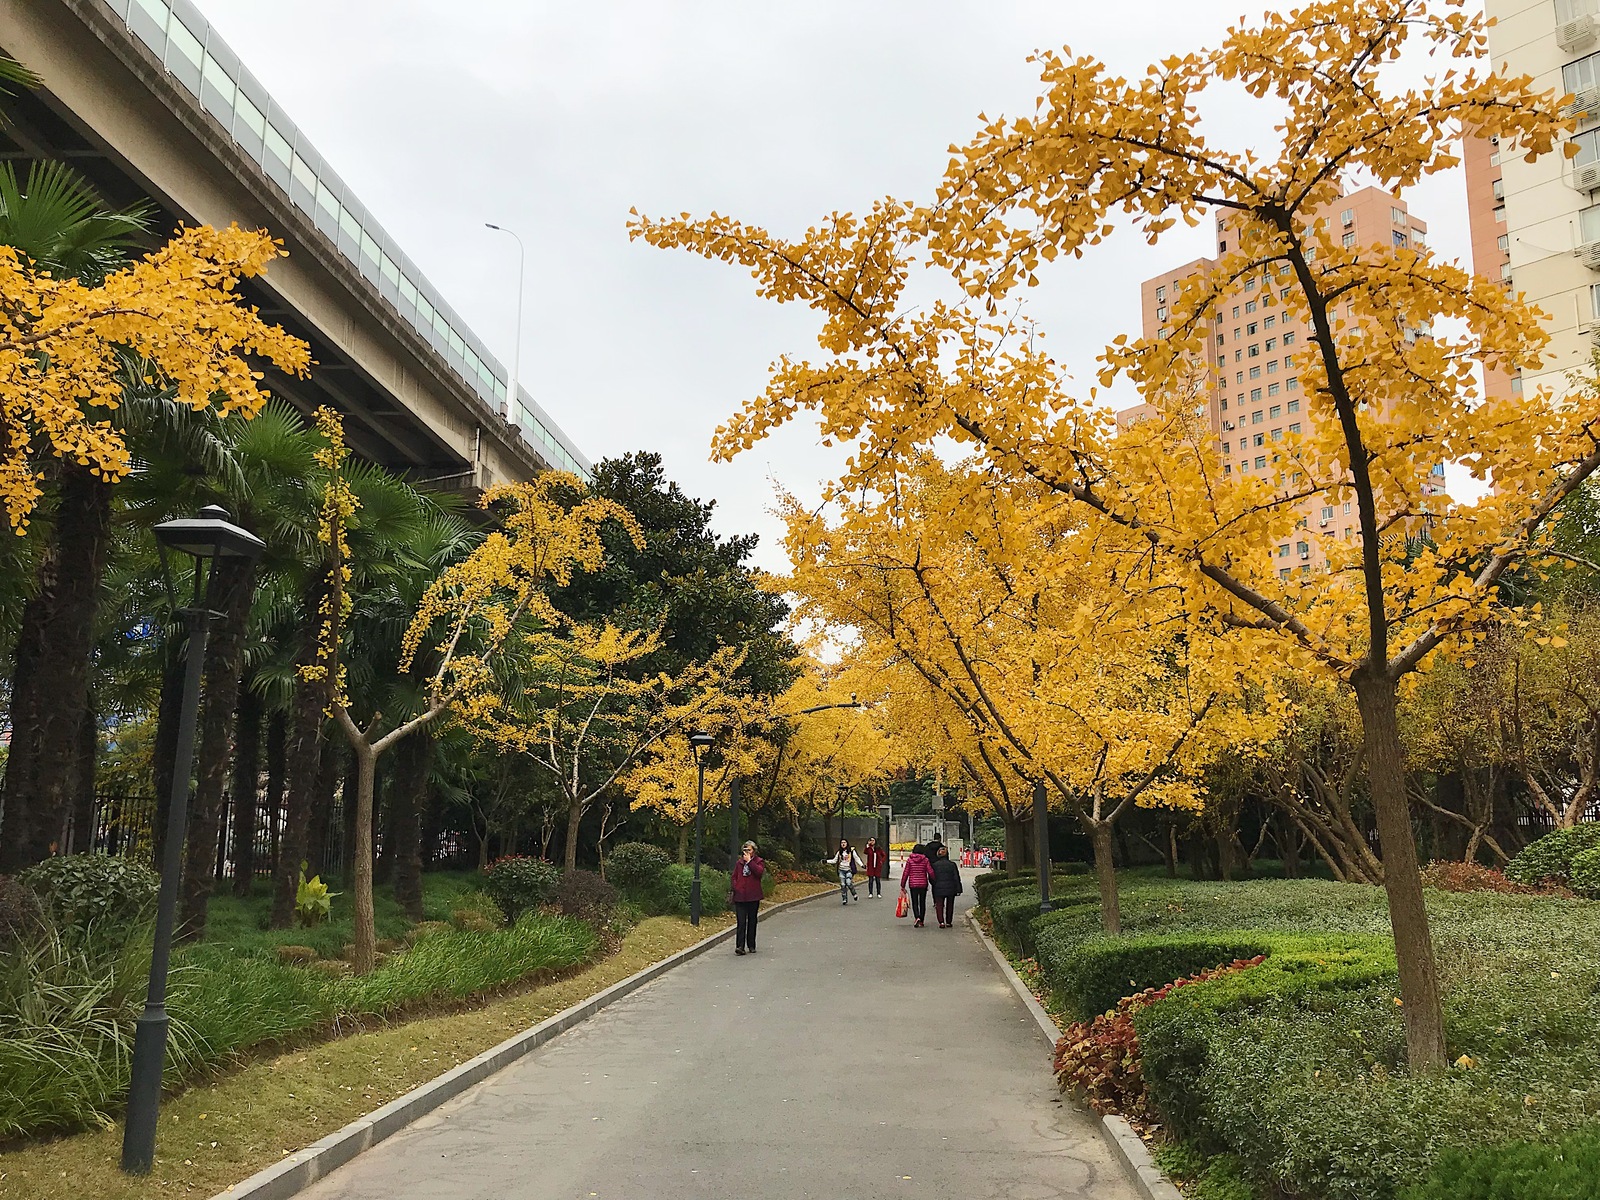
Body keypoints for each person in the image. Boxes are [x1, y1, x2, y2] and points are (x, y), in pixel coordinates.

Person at [731, 840, 765, 955]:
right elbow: (734, 876)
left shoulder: (759, 861)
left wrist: (750, 862)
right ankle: (740, 946)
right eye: (745, 850)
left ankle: (751, 944)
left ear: (754, 851)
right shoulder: (739, 863)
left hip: (753, 896)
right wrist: (736, 887)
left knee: (752, 920)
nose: (746, 852)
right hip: (740, 896)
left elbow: (759, 873)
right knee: (741, 922)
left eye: (749, 850)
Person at [899, 842, 933, 927]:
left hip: (913, 884)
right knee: (922, 902)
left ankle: (917, 917)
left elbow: (905, 873)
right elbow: (930, 871)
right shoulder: (925, 860)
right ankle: (921, 920)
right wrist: (934, 880)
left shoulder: (910, 860)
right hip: (923, 884)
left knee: (915, 902)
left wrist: (902, 885)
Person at [930, 844, 964, 928]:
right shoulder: (952, 865)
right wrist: (959, 888)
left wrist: (934, 884)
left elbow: (931, 877)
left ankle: (941, 921)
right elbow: (956, 877)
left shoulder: (935, 865)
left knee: (939, 905)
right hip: (951, 887)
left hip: (938, 887)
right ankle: (949, 921)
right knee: (950, 905)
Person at [825, 838, 863, 903]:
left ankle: (854, 894)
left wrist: (862, 865)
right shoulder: (839, 852)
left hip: (849, 870)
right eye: (842, 843)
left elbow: (857, 858)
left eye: (844, 842)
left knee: (848, 883)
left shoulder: (851, 851)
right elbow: (834, 860)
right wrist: (826, 861)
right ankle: (844, 899)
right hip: (841, 870)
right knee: (843, 885)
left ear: (847, 843)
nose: (843, 844)